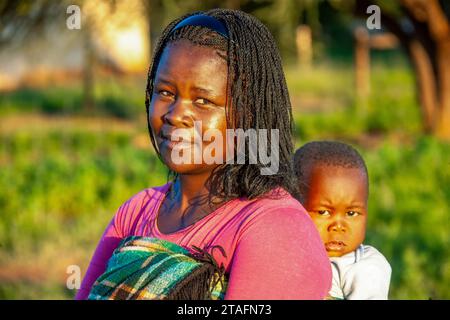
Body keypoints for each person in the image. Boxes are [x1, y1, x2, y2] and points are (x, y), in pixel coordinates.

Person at [75, 9, 331, 300]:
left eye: (203, 101)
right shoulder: (136, 211)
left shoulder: (273, 227)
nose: (177, 115)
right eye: (166, 92)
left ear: (248, 113)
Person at [293, 141, 391, 300]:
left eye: (351, 213)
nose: (338, 226)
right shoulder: (287, 252)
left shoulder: (364, 268)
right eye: (323, 212)